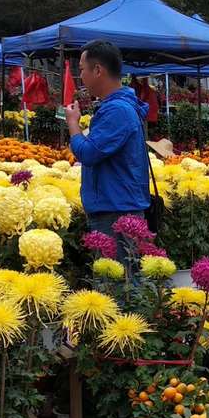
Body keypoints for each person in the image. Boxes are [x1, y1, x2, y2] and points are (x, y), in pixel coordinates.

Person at [65, 40, 151, 267]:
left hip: (116, 212)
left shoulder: (117, 111)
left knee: (118, 285)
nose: (80, 75)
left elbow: (89, 153)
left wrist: (73, 124)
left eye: (82, 69)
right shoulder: (117, 107)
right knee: (117, 282)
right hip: (115, 207)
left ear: (98, 70)